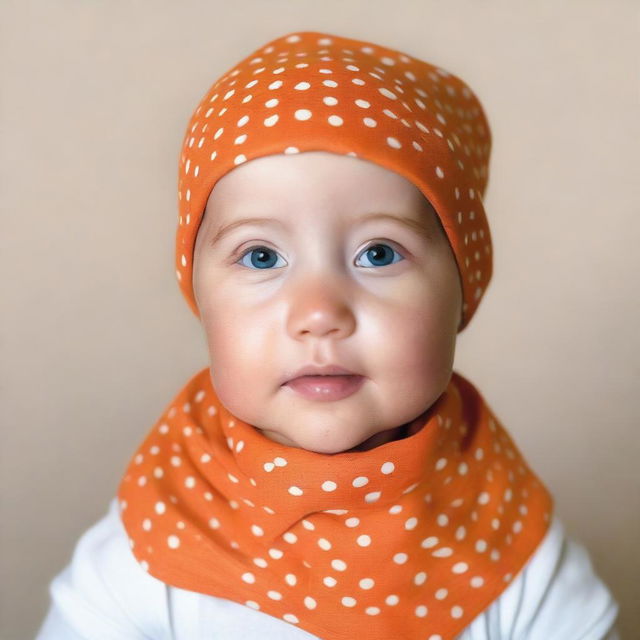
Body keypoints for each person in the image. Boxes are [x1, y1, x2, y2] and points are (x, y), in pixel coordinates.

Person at [36, 30, 620, 639]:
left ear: (463, 288)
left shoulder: (518, 556)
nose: (318, 312)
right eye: (261, 257)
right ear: (199, 296)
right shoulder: (147, 551)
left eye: (378, 252)